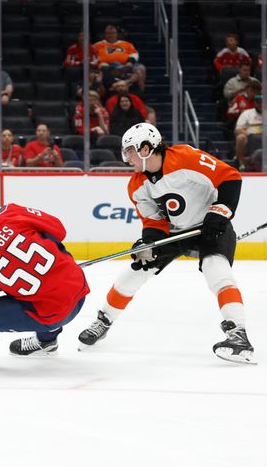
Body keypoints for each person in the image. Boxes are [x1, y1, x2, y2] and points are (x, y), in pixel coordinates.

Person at [77, 123, 254, 364]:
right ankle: (104, 320)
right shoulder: (137, 185)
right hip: (174, 232)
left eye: (129, 151)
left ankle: (238, 335)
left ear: (146, 148)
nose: (126, 158)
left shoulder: (186, 157)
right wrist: (148, 244)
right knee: (136, 270)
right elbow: (154, 222)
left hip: (211, 225)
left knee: (217, 271)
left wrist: (220, 212)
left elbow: (230, 177)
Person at [0, 196, 89, 366]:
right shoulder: (11, 212)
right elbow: (59, 230)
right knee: (46, 291)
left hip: (53, 315)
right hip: (78, 288)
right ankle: (46, 342)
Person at [234, 104, 263, 169]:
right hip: (250, 138)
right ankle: (241, 164)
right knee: (240, 137)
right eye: (259, 104)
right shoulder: (247, 113)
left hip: (264, 138)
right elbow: (237, 130)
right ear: (256, 103)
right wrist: (250, 134)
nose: (260, 106)